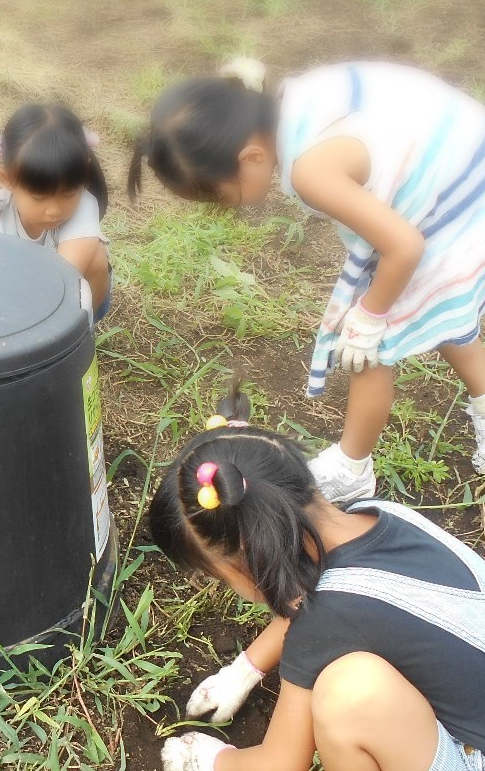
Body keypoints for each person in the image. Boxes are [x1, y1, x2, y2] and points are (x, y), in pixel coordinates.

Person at [129, 59, 485, 501]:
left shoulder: (311, 170)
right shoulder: (296, 97)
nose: (230, 209)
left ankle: (352, 469)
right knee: (441, 310)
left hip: (459, 202)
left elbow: (405, 247)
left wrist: (370, 316)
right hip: (466, 161)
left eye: (221, 197)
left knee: (371, 349)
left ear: (251, 157)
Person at [149, 384, 485, 771]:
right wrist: (245, 669)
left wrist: (211, 761)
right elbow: (315, 597)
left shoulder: (324, 620)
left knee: (349, 693)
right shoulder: (377, 514)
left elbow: (280, 767)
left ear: (248, 565)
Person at [0, 102, 113, 321]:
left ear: (84, 173)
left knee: (96, 256)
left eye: (68, 193)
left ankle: (77, 335)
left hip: (70, 301)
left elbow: (61, 277)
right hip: (11, 298)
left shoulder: (84, 205)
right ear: (7, 180)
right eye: (39, 197)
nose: (54, 210)